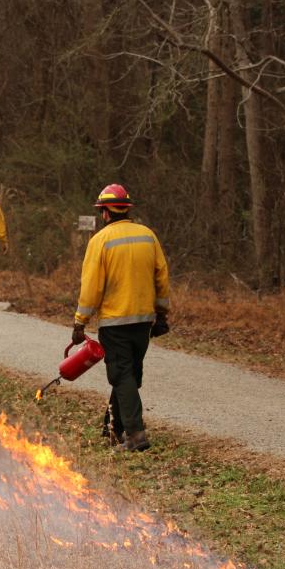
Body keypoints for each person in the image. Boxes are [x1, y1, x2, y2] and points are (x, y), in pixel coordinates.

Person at [71, 183, 170, 452]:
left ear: (105, 212)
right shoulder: (147, 236)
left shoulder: (100, 241)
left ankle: (136, 435)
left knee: (121, 374)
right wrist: (161, 313)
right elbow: (161, 276)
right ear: (126, 209)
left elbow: (91, 285)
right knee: (130, 373)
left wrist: (80, 320)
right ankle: (114, 428)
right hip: (143, 321)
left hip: (115, 322)